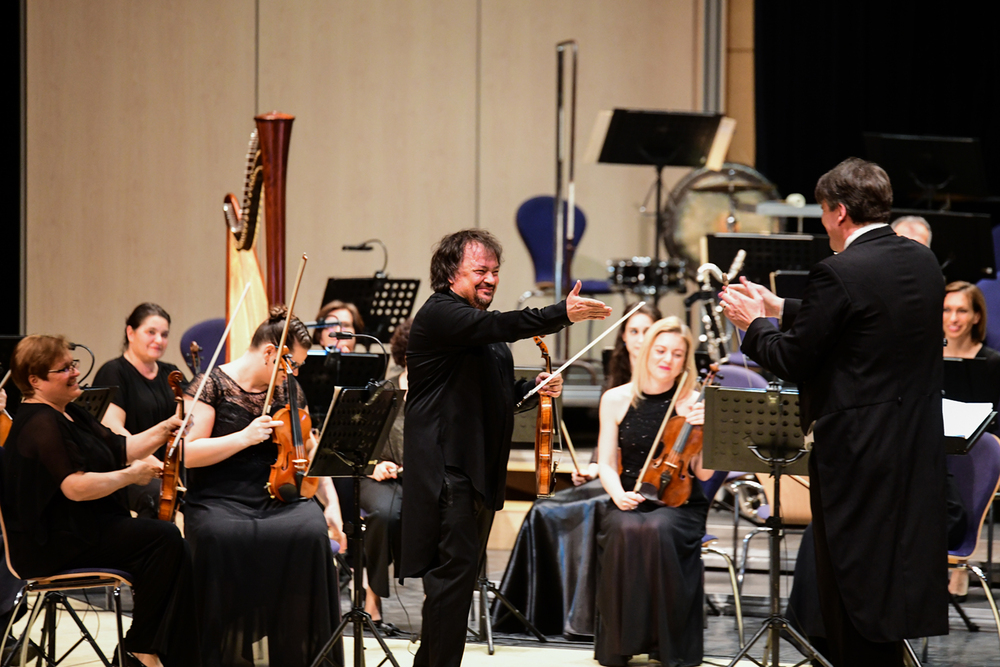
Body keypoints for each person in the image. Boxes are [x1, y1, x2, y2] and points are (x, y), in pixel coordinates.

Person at [720, 157, 948, 666]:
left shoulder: (838, 270)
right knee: (894, 582)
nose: (824, 224)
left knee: (852, 585)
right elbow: (868, 316)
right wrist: (782, 308)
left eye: (824, 213)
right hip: (914, 447)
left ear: (839, 211)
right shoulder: (921, 261)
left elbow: (792, 358)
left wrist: (754, 324)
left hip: (857, 456)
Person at [400, 228, 611, 667]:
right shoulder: (442, 314)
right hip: (446, 472)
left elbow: (498, 391)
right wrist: (562, 313)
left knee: (457, 585)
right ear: (450, 273)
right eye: (480, 270)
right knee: (450, 585)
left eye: (495, 272)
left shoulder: (481, 332)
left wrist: (532, 389)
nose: (491, 279)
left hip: (474, 471)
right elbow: (502, 324)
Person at [0, 335, 200, 667]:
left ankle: (149, 647)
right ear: (35, 381)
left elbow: (122, 449)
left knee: (167, 544)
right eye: (63, 368)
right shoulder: (39, 424)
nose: (75, 372)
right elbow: (74, 487)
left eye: (73, 363)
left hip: (83, 527)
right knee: (165, 540)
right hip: (52, 542)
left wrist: (167, 427)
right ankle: (142, 647)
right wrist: (130, 477)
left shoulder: (70, 412)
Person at [183, 307, 345, 667]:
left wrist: (330, 502)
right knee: (217, 537)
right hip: (218, 498)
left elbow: (308, 451)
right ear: (271, 353)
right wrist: (244, 437)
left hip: (277, 495)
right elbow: (188, 454)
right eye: (293, 363)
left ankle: (297, 657)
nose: (296, 372)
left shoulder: (289, 388)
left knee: (310, 530)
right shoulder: (209, 385)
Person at [593, 316, 711, 666]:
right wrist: (617, 494)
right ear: (645, 351)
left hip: (680, 504)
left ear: (685, 360)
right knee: (625, 527)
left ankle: (670, 646)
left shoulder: (692, 403)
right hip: (630, 496)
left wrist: (706, 428)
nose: (668, 359)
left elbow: (704, 471)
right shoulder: (615, 399)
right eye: (661, 350)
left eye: (678, 354)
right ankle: (621, 644)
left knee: (659, 529)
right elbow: (606, 462)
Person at [94, 303, 183, 518]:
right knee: (155, 494)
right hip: (129, 468)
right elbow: (114, 430)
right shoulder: (113, 372)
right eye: (151, 332)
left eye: (164, 334)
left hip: (168, 467)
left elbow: (185, 421)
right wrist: (158, 466)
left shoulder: (171, 373)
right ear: (130, 333)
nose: (159, 340)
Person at [358, 318, 411, 636]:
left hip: (419, 477)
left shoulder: (439, 393)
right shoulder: (384, 391)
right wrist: (375, 464)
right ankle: (371, 599)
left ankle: (438, 600)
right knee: (385, 514)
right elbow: (361, 446)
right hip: (378, 475)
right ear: (404, 355)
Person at [571, 303, 661, 485]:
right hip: (614, 475)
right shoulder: (613, 382)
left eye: (648, 331)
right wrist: (591, 470)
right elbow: (605, 442)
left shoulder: (666, 383)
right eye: (634, 332)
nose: (641, 339)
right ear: (624, 336)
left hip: (653, 478)